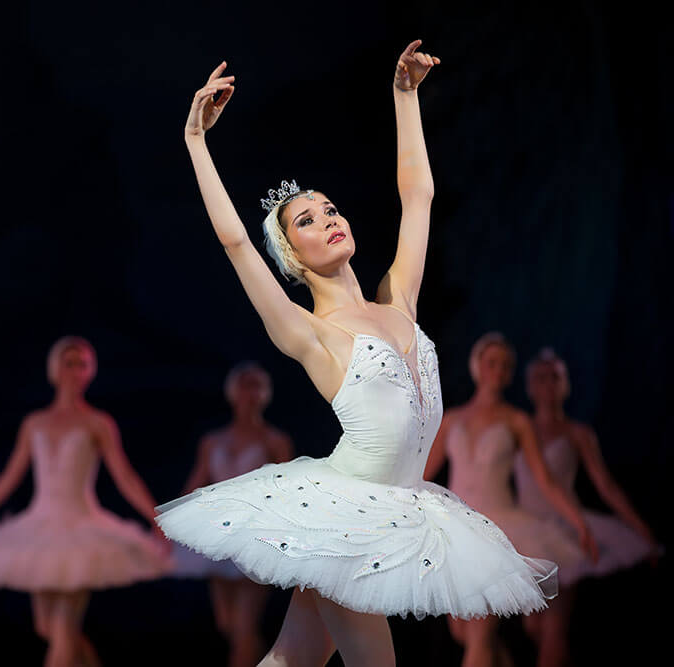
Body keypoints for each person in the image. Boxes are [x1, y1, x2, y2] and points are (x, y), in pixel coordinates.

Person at [155, 40, 571, 667]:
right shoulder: (309, 332)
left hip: (400, 507)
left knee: (292, 659)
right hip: (348, 518)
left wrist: (405, 95)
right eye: (305, 221)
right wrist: (195, 141)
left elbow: (418, 195)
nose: (327, 219)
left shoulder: (398, 299)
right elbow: (236, 241)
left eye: (329, 209)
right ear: (292, 257)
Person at [0, 336, 172, 667]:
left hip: (82, 528)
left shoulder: (98, 423)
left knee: (62, 630)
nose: (74, 371)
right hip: (40, 527)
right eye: (68, 363)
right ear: (54, 369)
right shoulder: (35, 422)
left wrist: (154, 515)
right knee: (47, 627)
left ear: (90, 371)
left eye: (82, 364)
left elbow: (124, 476)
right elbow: (10, 476)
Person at [424, 333, 598, 667]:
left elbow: (546, 480)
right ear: (478, 366)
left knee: (479, 631)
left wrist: (579, 523)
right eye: (492, 363)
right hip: (456, 531)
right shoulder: (452, 420)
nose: (498, 370)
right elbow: (422, 475)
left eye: (505, 365)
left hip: (498, 532)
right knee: (463, 632)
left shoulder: (517, 421)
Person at [516, 347, 659, 667]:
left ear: (565, 384)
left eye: (555, 377)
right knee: (534, 626)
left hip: (565, 530)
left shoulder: (577, 433)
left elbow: (606, 486)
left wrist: (641, 529)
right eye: (541, 377)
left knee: (553, 628)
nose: (549, 384)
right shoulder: (518, 428)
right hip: (525, 532)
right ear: (530, 386)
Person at [175, 362, 294, 667]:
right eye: (244, 385)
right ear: (232, 392)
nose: (249, 392)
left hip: (255, 536)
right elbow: (197, 483)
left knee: (243, 627)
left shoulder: (274, 440)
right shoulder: (212, 441)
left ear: (265, 393)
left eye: (255, 385)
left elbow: (288, 489)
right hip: (219, 535)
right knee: (228, 624)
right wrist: (173, 521)